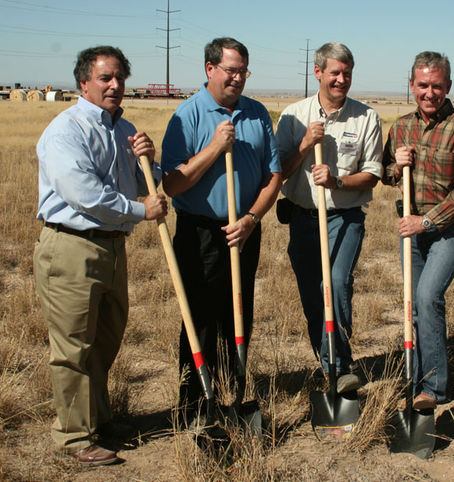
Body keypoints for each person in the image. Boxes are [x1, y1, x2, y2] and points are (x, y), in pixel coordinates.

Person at [34, 46, 168, 466]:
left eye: (120, 78)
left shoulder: (123, 128)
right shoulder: (65, 131)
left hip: (112, 247)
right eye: (105, 78)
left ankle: (99, 421)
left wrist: (149, 160)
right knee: (73, 345)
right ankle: (74, 438)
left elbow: (141, 181)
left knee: (105, 338)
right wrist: (139, 211)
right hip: (72, 247)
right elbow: (85, 195)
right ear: (84, 83)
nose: (115, 85)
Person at [161, 37, 281, 421]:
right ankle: (195, 403)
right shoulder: (188, 115)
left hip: (244, 228)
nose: (238, 78)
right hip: (199, 231)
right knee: (199, 316)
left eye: (243, 71)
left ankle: (233, 393)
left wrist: (251, 220)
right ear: (210, 69)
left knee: (238, 311)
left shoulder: (258, 113)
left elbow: (273, 176)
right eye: (231, 70)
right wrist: (215, 148)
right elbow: (172, 184)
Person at [381, 51, 454, 409]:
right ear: (412, 85)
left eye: (437, 86)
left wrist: (425, 221)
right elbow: (384, 174)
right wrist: (396, 166)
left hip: (448, 230)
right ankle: (416, 381)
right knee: (414, 305)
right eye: (423, 85)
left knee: (428, 297)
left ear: (448, 87)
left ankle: (435, 388)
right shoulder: (400, 127)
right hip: (411, 230)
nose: (430, 92)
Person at [275, 42, 383, 393]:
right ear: (318, 72)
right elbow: (278, 172)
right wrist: (305, 144)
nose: (341, 80)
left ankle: (341, 365)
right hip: (303, 218)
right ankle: (329, 365)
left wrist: (336, 181)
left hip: (345, 217)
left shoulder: (366, 117)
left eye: (347, 73)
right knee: (311, 296)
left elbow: (372, 175)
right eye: (334, 72)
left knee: (334, 285)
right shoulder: (294, 115)